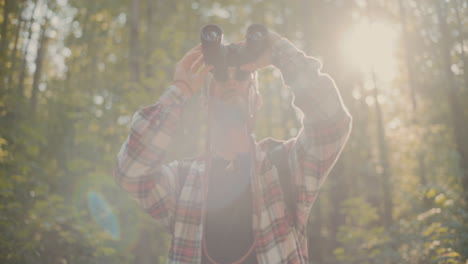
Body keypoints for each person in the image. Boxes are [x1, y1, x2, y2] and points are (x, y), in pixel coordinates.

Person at [114, 28, 352, 264]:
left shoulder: (285, 166)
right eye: (220, 76)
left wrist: (280, 50)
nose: (231, 82)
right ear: (205, 103)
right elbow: (131, 172)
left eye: (241, 76)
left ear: (256, 100)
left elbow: (331, 122)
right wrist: (180, 90)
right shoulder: (182, 179)